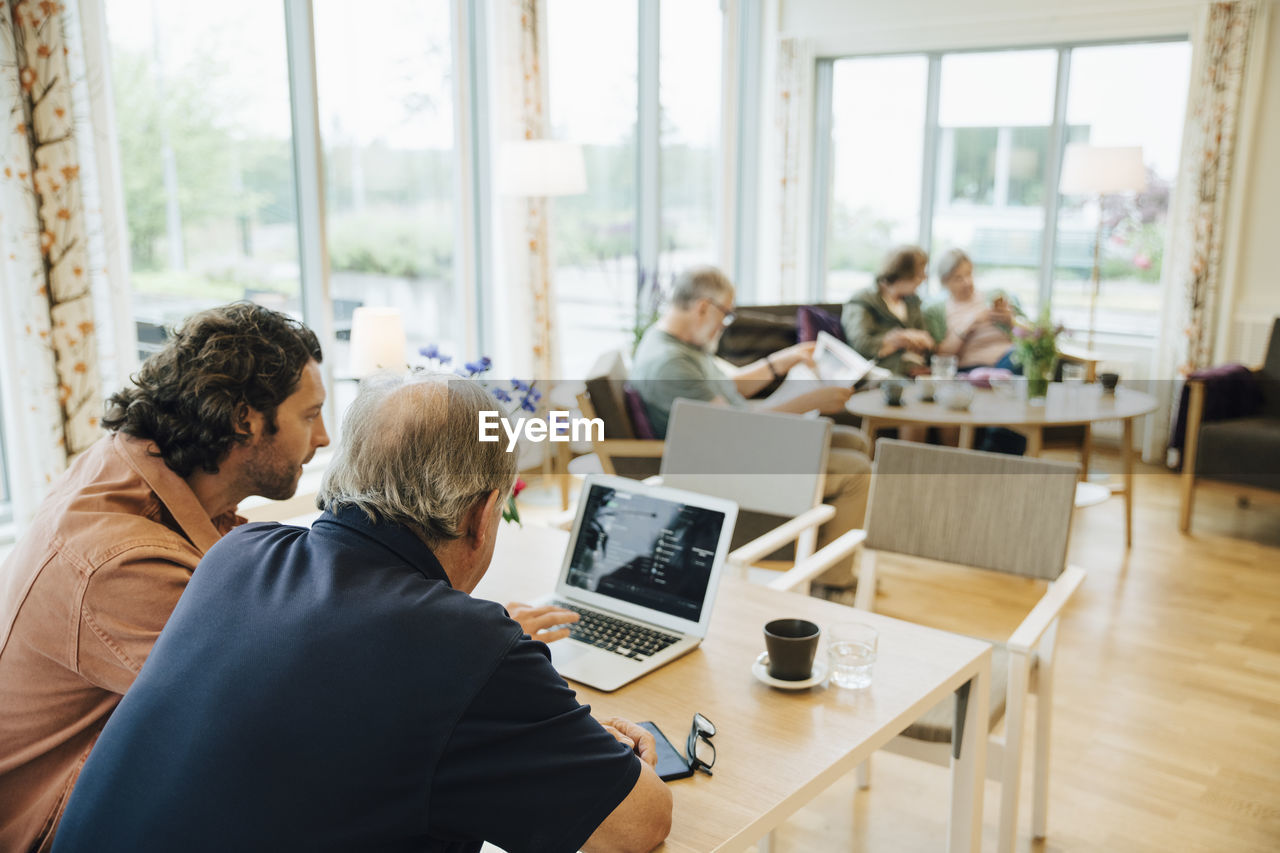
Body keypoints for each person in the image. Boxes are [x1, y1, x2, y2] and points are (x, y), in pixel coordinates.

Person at [0, 303, 572, 852]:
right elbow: (299, 707)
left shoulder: (136, 466)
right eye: (309, 414)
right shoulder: (123, 564)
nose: (324, 438)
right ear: (243, 419)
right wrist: (466, 654)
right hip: (60, 832)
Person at [52, 374, 673, 853]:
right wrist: (606, 759)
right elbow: (637, 826)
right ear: (481, 515)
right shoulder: (469, 645)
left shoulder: (239, 554)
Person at [631, 266, 871, 593]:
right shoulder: (670, 363)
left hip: (734, 447)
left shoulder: (677, 344)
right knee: (856, 472)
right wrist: (809, 401)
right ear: (703, 307)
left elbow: (725, 390)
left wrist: (779, 362)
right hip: (721, 469)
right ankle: (831, 582)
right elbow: (734, 428)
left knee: (851, 440)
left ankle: (825, 557)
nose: (725, 325)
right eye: (726, 314)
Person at [842, 245, 935, 377]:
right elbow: (860, 344)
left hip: (917, 370)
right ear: (903, 274)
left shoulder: (912, 301)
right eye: (920, 274)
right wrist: (899, 338)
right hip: (884, 374)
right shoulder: (863, 300)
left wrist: (925, 343)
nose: (924, 278)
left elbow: (926, 338)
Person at [923, 248, 1021, 371]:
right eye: (958, 278)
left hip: (1009, 357)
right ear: (945, 282)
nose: (967, 282)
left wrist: (1010, 320)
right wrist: (970, 323)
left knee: (1031, 356)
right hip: (973, 368)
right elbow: (942, 355)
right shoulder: (936, 310)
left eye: (969, 274)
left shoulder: (994, 296)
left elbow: (1030, 334)